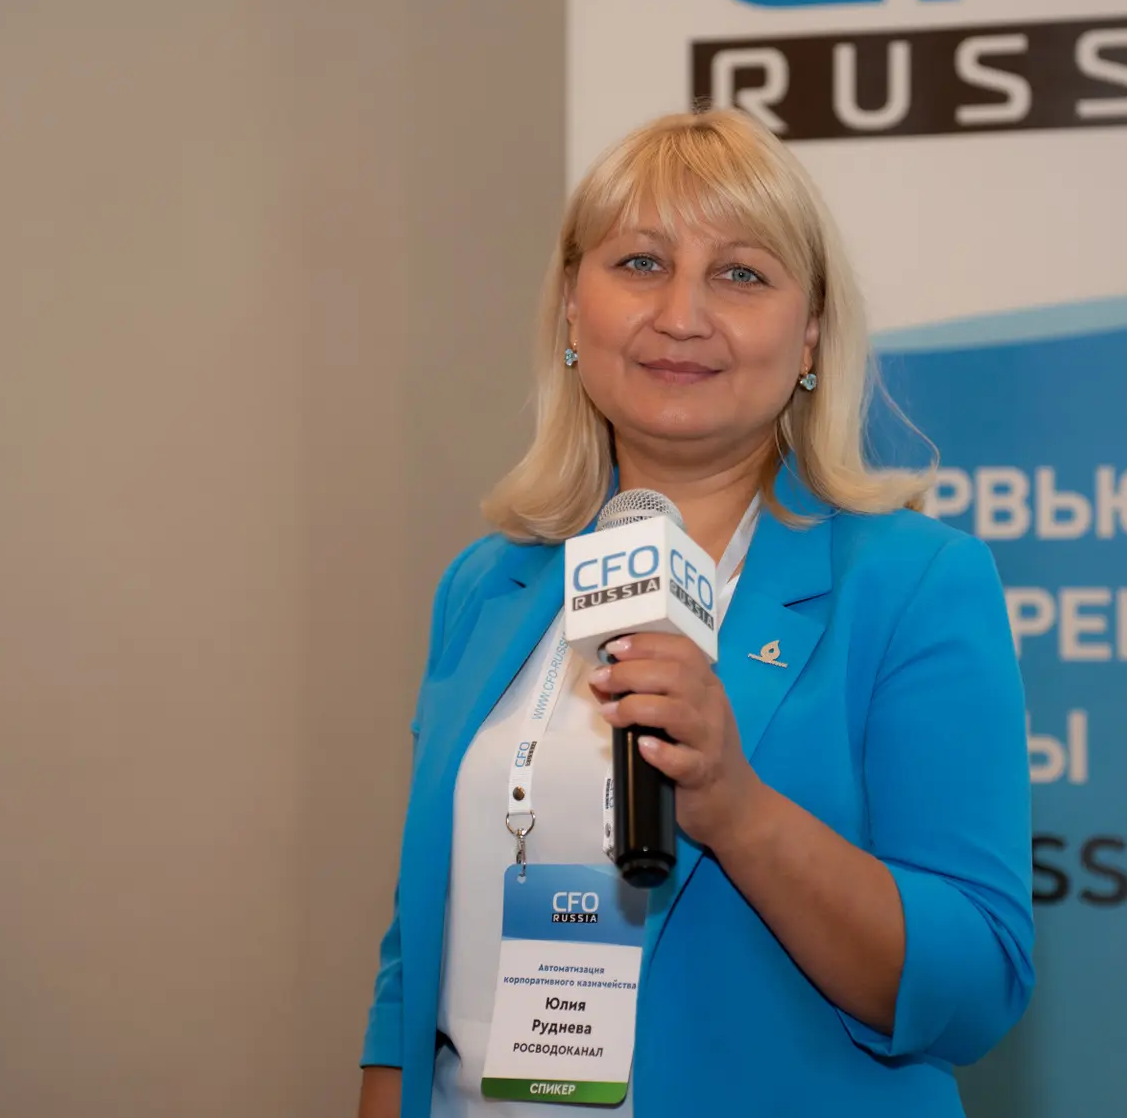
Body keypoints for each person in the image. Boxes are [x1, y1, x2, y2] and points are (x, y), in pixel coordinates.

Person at [356, 108, 1034, 1118]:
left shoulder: (915, 583)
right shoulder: (486, 585)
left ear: (811, 332)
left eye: (741, 274)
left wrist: (737, 809)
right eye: (640, 263)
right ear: (572, 308)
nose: (681, 315)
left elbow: (973, 988)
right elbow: (418, 958)